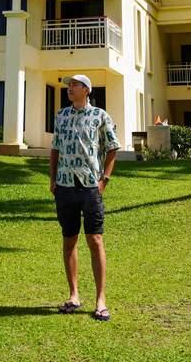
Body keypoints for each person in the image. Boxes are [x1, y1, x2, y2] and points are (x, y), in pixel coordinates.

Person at [50, 73, 120, 321]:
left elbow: (113, 148)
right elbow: (55, 148)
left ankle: (101, 300)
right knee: (69, 240)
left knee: (95, 239)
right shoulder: (61, 115)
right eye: (68, 85)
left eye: (75, 85)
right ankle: (74, 295)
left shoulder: (100, 116)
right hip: (65, 187)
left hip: (91, 187)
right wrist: (53, 179)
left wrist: (104, 181)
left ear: (86, 90)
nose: (70, 88)